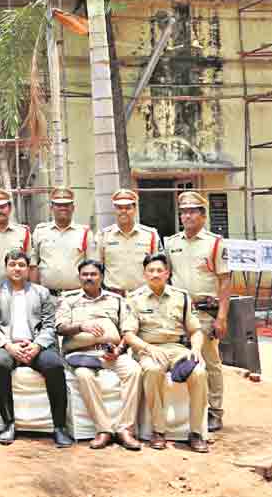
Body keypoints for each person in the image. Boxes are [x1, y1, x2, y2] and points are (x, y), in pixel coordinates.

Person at [0, 250, 72, 447]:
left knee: (55, 365)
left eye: (21, 265)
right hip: (4, 345)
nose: (17, 268)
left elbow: (49, 325)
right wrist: (8, 345)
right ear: (6, 268)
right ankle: (8, 423)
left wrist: (37, 345)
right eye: (12, 264)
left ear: (28, 269)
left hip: (35, 344)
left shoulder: (41, 292)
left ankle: (59, 427)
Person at [123, 252, 209, 452]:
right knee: (152, 371)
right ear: (144, 274)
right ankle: (158, 431)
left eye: (159, 270)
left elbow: (195, 330)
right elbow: (128, 334)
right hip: (149, 349)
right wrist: (147, 348)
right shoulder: (135, 298)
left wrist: (196, 349)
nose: (155, 274)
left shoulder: (182, 297)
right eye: (150, 270)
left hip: (178, 349)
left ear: (167, 273)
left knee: (199, 373)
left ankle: (196, 433)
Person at [56, 259, 142, 450]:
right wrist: (81, 326)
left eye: (93, 274)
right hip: (81, 355)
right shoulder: (68, 299)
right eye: (85, 274)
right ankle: (104, 430)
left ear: (101, 277)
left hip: (110, 353)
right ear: (79, 277)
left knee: (134, 370)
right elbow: (60, 328)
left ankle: (125, 430)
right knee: (84, 375)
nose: (89, 278)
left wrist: (118, 351)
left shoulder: (116, 300)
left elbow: (127, 331)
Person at [164, 190, 230, 432]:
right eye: (184, 212)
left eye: (193, 211)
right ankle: (187, 410)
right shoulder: (171, 243)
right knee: (182, 360)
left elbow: (224, 281)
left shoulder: (214, 243)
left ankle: (215, 411)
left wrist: (222, 317)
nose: (187, 216)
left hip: (205, 312)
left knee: (210, 362)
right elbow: (166, 277)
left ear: (203, 215)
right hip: (179, 313)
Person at [96, 189, 161, 296]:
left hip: (143, 295)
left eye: (128, 208)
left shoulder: (150, 235)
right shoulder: (103, 235)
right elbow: (97, 267)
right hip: (113, 296)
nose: (123, 211)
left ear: (135, 209)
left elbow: (158, 267)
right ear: (114, 210)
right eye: (119, 208)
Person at [30, 187, 92, 294]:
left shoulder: (84, 233)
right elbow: (33, 265)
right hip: (47, 295)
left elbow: (92, 267)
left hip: (76, 296)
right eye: (58, 205)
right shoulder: (40, 231)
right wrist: (36, 294)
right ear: (51, 208)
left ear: (73, 208)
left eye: (67, 205)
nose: (63, 208)